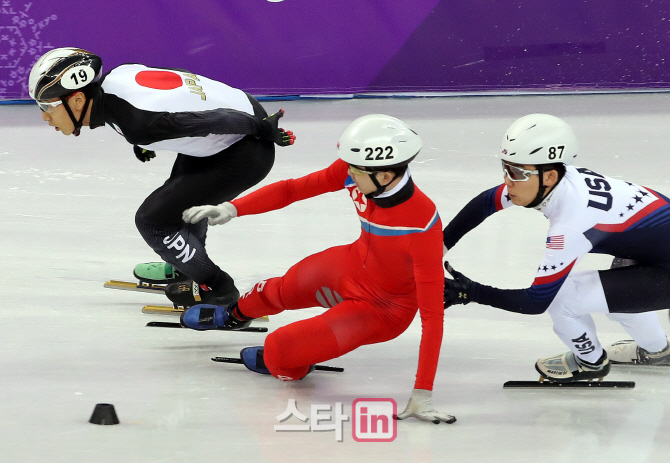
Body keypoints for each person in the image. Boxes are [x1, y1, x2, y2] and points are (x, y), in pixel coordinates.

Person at [179, 114, 455, 424]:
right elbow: (292, 190)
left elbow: (432, 317)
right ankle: (235, 316)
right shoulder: (359, 173)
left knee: (279, 350)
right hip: (352, 265)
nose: (347, 173)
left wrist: (423, 393)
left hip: (384, 309)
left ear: (386, 175)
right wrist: (231, 208)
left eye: (355, 170)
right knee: (274, 289)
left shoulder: (421, 224)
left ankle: (292, 359)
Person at [28, 47, 295, 306]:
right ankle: (187, 266)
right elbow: (180, 76)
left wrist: (263, 129)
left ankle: (220, 288)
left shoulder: (138, 124)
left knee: (153, 220)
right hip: (239, 116)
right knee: (178, 203)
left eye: (46, 105)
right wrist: (146, 140)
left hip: (245, 148)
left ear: (76, 100)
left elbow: (215, 119)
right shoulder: (119, 75)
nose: (43, 116)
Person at [442, 113, 670, 383]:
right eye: (505, 168)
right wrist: (439, 246)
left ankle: (591, 363)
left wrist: (471, 292)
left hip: (660, 262)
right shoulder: (558, 179)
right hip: (654, 254)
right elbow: (485, 202)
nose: (507, 181)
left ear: (549, 175)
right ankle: (658, 352)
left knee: (562, 298)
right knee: (620, 302)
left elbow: (536, 301)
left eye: (516, 172)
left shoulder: (571, 223)